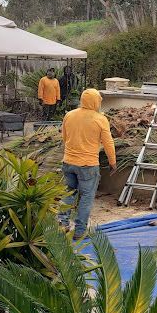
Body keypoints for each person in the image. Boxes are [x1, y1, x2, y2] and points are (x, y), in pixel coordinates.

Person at [59, 88, 116, 240]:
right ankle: (79, 232)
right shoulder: (100, 119)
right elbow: (108, 143)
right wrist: (112, 162)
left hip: (68, 162)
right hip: (88, 165)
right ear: (96, 101)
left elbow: (64, 137)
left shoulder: (69, 115)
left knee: (69, 193)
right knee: (86, 198)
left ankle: (62, 224)